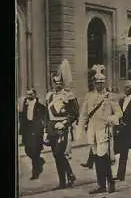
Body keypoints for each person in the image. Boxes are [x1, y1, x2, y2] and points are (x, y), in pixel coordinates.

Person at [77, 65, 122, 194]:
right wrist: (80, 129)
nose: (100, 85)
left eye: (102, 83)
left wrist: (111, 119)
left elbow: (119, 113)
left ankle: (111, 183)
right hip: (92, 131)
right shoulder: (89, 96)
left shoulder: (110, 96)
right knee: (97, 158)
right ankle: (101, 185)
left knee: (104, 158)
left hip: (104, 131)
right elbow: (84, 114)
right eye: (97, 83)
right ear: (94, 83)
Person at [44, 60, 78, 189]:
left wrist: (65, 123)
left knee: (59, 153)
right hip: (52, 128)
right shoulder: (49, 96)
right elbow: (47, 115)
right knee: (55, 155)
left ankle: (69, 174)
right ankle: (63, 181)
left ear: (62, 83)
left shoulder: (68, 95)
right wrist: (46, 131)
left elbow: (75, 113)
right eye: (55, 83)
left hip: (63, 128)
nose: (57, 85)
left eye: (59, 83)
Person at [114, 80, 131, 181]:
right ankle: (120, 175)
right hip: (123, 131)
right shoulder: (121, 100)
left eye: (128, 87)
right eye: (125, 87)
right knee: (123, 153)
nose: (126, 89)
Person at [18, 89, 46, 180]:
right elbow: (23, 119)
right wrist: (21, 132)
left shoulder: (39, 106)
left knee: (35, 152)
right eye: (27, 94)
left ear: (35, 94)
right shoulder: (25, 105)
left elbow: (43, 118)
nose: (28, 96)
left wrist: (41, 129)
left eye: (30, 94)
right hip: (28, 131)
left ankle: (35, 173)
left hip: (36, 131)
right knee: (27, 150)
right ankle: (40, 162)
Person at [81, 70, 97, 169]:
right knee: (93, 142)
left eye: (93, 82)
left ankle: (91, 162)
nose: (91, 84)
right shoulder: (88, 94)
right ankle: (90, 162)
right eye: (91, 82)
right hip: (91, 121)